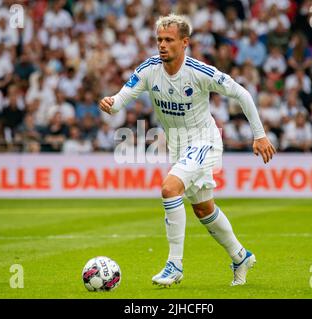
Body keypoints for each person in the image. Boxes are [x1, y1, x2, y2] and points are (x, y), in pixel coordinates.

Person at [99, 14, 276, 287]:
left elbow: (242, 93)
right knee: (204, 210)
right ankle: (240, 256)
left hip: (205, 140)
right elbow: (121, 99)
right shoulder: (148, 70)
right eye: (159, 39)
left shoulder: (200, 72)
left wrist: (260, 135)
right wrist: (111, 102)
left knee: (170, 189)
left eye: (168, 40)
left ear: (185, 43)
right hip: (178, 146)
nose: (162, 45)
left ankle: (175, 265)